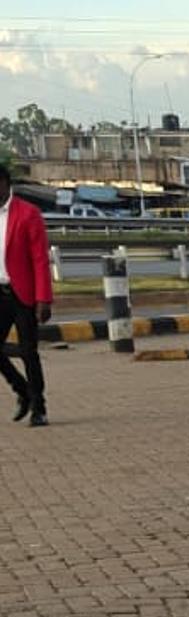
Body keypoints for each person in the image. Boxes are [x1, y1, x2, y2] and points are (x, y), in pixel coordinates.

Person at [0, 164, 51, 427]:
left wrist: (44, 298)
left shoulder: (28, 213)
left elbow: (40, 259)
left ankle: (39, 408)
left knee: (29, 352)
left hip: (23, 294)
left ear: (5, 183)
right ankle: (22, 390)